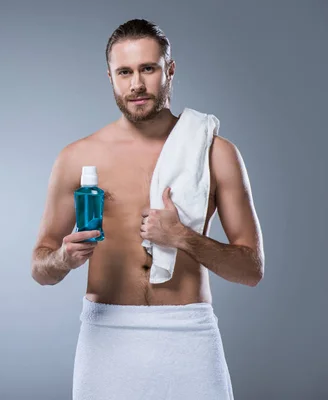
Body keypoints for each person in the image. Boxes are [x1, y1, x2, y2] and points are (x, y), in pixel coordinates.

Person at [30, 19, 264, 399]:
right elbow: (41, 269)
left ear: (169, 70)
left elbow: (251, 270)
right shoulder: (77, 158)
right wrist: (63, 259)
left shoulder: (215, 153)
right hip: (106, 337)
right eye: (124, 72)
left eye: (148, 69)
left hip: (190, 333)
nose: (136, 84)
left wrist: (182, 238)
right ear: (110, 76)